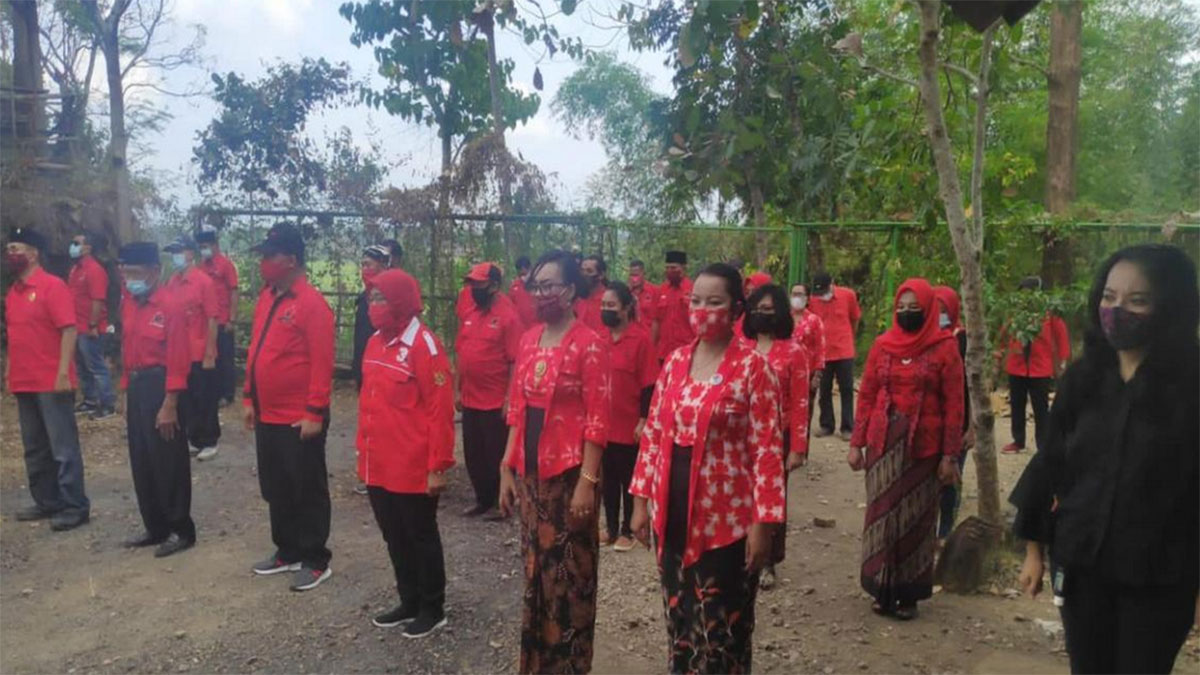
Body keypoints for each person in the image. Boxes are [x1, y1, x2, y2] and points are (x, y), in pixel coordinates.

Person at [1011, 245, 1199, 674]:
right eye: (1109, 297)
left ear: (1170, 306)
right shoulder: (1083, 379)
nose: (1118, 310)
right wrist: (1034, 551)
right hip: (1082, 567)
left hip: (1160, 575)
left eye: (1137, 300)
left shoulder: (1192, 385)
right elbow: (1049, 463)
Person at [629, 262, 785, 673]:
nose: (702, 310)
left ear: (736, 310)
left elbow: (767, 449)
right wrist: (641, 502)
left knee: (722, 632)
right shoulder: (676, 361)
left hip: (726, 523)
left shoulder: (754, 369)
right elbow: (655, 434)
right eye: (695, 301)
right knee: (680, 623)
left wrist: (762, 522)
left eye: (713, 302)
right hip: (674, 514)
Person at [497, 250, 611, 674]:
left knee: (570, 578)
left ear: (569, 289)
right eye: (536, 285)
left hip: (568, 478)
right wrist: (506, 468)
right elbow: (517, 410)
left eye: (549, 285)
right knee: (537, 573)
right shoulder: (529, 340)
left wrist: (587, 480)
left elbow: (598, 418)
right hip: (531, 476)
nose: (541, 293)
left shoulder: (590, 344)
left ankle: (570, 666)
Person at [847, 278, 964, 620]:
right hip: (883, 445)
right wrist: (857, 443)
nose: (907, 313)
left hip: (924, 449)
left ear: (928, 311)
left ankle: (908, 595)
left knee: (915, 519)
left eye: (915, 309)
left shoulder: (944, 348)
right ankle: (880, 589)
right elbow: (867, 395)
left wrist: (949, 455)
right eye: (902, 308)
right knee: (881, 515)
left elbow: (954, 406)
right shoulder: (883, 346)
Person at [358, 269, 455, 639]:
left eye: (380, 298)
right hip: (378, 464)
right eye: (371, 299)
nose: (373, 306)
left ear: (399, 301)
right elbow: (369, 403)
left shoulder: (424, 347)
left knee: (420, 535)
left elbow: (440, 412)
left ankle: (433, 606)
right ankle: (409, 599)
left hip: (411, 467)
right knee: (393, 535)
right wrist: (362, 456)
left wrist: (437, 466)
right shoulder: (375, 343)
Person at [242, 222, 336, 592]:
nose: (263, 262)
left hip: (299, 417)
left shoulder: (311, 304)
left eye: (269, 256)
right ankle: (287, 549)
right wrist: (249, 397)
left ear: (291, 259)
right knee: (277, 485)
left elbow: (322, 362)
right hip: (268, 413)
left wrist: (315, 411)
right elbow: (255, 349)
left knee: (306, 488)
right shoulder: (268, 296)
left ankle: (315, 558)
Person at [5, 227, 90, 532]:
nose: (11, 254)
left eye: (17, 248)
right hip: (24, 380)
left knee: (62, 447)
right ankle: (46, 500)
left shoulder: (52, 287)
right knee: (34, 446)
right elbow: (15, 335)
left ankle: (74, 505)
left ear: (34, 253)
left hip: (51, 380)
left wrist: (63, 372)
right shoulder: (13, 293)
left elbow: (69, 329)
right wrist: (10, 369)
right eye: (9, 248)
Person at [116, 241, 195, 557]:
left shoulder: (170, 306)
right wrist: (125, 390)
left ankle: (180, 529)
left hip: (162, 387)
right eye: (125, 273)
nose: (128, 279)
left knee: (168, 459)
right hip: (137, 386)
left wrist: (170, 403)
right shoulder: (130, 304)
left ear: (153, 271)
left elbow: (178, 357)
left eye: (134, 273)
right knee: (143, 459)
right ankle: (155, 525)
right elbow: (127, 349)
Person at [741, 283, 810, 590]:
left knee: (771, 498)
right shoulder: (740, 347)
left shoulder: (794, 352)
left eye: (768, 309)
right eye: (757, 309)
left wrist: (797, 449)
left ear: (780, 312)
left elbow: (800, 403)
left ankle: (768, 562)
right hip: (739, 436)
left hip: (775, 439)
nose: (762, 314)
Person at [455, 262, 523, 519]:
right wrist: (458, 390)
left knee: (496, 452)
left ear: (494, 286)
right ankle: (482, 499)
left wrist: (510, 398)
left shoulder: (508, 316)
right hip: (471, 397)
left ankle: (501, 502)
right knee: (474, 453)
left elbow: (516, 360)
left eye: (479, 284)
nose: (474, 288)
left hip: (495, 400)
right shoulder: (470, 313)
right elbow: (461, 352)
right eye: (471, 283)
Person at [598, 280, 657, 551]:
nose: (606, 310)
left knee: (628, 479)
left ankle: (627, 530)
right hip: (604, 423)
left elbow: (648, 385)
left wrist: (643, 420)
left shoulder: (640, 339)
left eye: (611, 305)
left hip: (629, 423)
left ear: (625, 308)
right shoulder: (600, 339)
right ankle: (610, 527)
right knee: (607, 478)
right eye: (603, 305)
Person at [163, 235, 220, 462]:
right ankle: (194, 438)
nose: (175, 256)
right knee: (185, 398)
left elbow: (212, 319)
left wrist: (209, 352)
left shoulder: (203, 282)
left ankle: (210, 440)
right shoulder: (173, 281)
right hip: (179, 351)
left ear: (190, 253)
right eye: (173, 252)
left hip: (199, 349)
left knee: (204, 397)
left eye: (178, 251)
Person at [997, 276, 1070, 454]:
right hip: (1017, 366)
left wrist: (1062, 361)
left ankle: (1043, 444)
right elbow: (1003, 336)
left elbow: (1061, 337)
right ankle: (1018, 440)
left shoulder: (1050, 315)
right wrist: (998, 356)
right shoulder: (1015, 314)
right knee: (1017, 405)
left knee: (1041, 408)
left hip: (1040, 369)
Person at [934, 285, 972, 540]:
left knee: (951, 478)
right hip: (932, 421)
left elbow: (973, 386)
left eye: (943, 310)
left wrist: (972, 427)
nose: (938, 315)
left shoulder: (963, 340)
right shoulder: (924, 338)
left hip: (959, 420)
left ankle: (946, 533)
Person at [68, 230, 116, 420]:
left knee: (96, 366)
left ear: (88, 247)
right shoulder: (75, 269)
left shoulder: (95, 270)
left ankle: (107, 405)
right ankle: (89, 400)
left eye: (76, 243)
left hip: (91, 327)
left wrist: (93, 324)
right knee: (81, 366)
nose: (73, 246)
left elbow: (97, 300)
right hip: (76, 326)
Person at [809, 272, 861, 441]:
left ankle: (847, 427)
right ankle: (826, 424)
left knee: (846, 389)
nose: (822, 295)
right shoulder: (812, 300)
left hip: (844, 349)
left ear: (832, 284)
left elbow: (855, 319)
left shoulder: (848, 295)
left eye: (825, 290)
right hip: (822, 352)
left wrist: (850, 338)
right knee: (824, 389)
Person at [195, 227, 240, 405]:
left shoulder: (225, 265)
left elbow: (234, 291)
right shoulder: (201, 267)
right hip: (208, 321)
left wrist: (232, 318)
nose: (203, 250)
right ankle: (213, 392)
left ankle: (228, 394)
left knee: (225, 358)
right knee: (210, 355)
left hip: (223, 318)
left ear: (215, 245)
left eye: (205, 246)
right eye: (201, 247)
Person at [352, 245, 391, 391]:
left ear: (382, 266)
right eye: (362, 265)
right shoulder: (363, 298)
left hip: (383, 366)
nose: (364, 269)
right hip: (363, 364)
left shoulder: (392, 297)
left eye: (368, 265)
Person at [789, 283, 826, 417]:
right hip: (786, 372)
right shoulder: (785, 319)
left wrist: (817, 376)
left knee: (805, 413)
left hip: (807, 373)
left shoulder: (814, 320)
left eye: (800, 294)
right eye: (794, 294)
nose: (796, 297)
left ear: (807, 298)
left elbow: (820, 348)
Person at [653, 250, 694, 362]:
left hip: (686, 350)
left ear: (684, 268)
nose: (670, 271)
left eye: (674, 268)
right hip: (663, 352)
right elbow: (656, 321)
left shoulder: (693, 290)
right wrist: (652, 347)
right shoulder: (661, 290)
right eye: (667, 268)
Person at [575, 253, 608, 332]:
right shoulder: (578, 299)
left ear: (601, 275)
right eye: (582, 270)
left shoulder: (608, 299)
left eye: (589, 271)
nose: (584, 274)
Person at [627, 258, 658, 331]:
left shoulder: (654, 291)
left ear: (643, 274)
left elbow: (657, 320)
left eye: (636, 275)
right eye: (632, 275)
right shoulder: (626, 293)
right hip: (632, 336)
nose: (634, 279)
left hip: (649, 336)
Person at [509, 255, 537, 329]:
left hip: (537, 327)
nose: (523, 277)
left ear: (530, 268)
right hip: (521, 329)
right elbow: (511, 307)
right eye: (520, 274)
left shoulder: (538, 284)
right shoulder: (514, 286)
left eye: (525, 274)